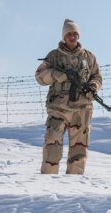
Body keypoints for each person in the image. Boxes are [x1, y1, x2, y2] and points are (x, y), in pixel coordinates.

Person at [35, 19, 103, 174]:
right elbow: (39, 76)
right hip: (58, 108)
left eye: (75, 34)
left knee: (79, 150)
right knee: (53, 145)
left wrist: (92, 87)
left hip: (81, 110)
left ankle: (74, 185)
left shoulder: (89, 57)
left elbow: (97, 77)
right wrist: (54, 74)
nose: (72, 37)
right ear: (64, 37)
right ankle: (47, 181)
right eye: (69, 34)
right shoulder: (54, 56)